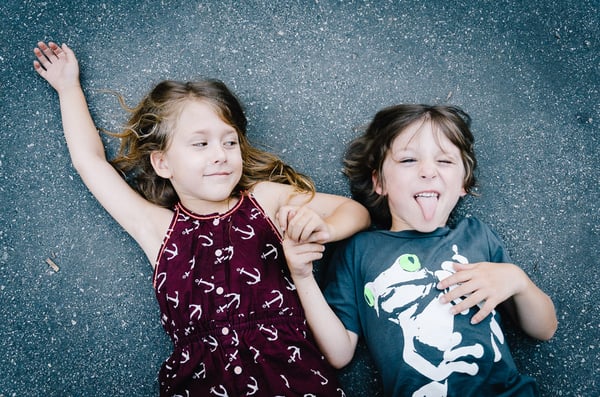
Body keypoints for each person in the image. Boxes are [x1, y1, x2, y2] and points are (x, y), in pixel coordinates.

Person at [33, 41, 370, 396]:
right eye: (200, 144)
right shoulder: (158, 230)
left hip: (294, 378)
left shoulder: (264, 201)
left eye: (229, 142)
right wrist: (68, 87)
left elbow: (356, 212)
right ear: (163, 163)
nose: (220, 155)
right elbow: (90, 162)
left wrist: (324, 228)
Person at [284, 104, 558, 396]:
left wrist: (517, 280)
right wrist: (302, 277)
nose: (428, 171)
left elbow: (545, 329)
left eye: (445, 161)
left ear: (464, 182)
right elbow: (339, 353)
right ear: (379, 181)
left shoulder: (477, 237)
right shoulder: (359, 250)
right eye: (408, 160)